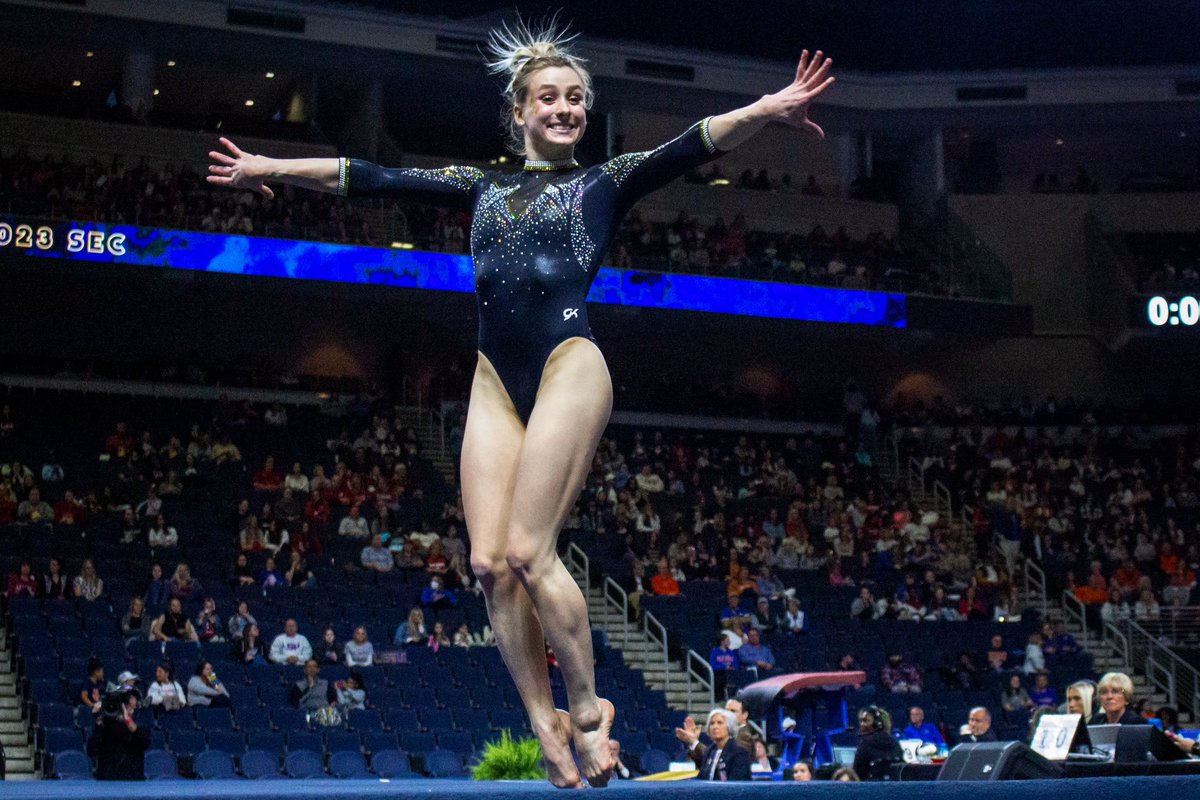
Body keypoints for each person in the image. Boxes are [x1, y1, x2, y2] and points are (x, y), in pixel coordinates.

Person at [209, 21, 833, 787]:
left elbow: (695, 142)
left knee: (533, 551)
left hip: (571, 361)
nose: (565, 109)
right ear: (519, 111)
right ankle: (546, 725)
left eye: (576, 98)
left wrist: (769, 107)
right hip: (495, 378)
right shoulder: (481, 185)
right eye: (549, 98)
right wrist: (268, 165)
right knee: (489, 565)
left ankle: (593, 711)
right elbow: (364, 175)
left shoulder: (604, 181)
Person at [675, 708, 752, 781]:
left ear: (729, 727)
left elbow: (736, 784)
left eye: (720, 723)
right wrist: (691, 741)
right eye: (712, 723)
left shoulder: (739, 753)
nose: (715, 727)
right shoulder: (710, 752)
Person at [90, 685, 149, 780]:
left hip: (133, 783)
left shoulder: (140, 726)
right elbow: (92, 751)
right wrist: (99, 719)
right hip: (108, 783)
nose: (125, 708)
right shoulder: (106, 725)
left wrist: (127, 720)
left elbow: (144, 742)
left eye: (129, 704)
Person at [853, 706, 902, 780]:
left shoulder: (865, 745)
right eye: (861, 721)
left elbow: (856, 775)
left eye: (865, 721)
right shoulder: (895, 743)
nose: (862, 724)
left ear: (877, 723)